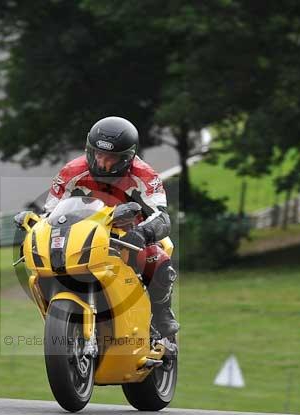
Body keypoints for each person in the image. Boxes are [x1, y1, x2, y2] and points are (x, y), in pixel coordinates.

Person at [17, 116, 179, 337]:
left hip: (129, 234)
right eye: (98, 155)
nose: (103, 163)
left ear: (128, 157)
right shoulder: (71, 172)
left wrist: (142, 234)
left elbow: (162, 217)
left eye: (112, 158)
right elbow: (49, 213)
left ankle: (162, 312)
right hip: (84, 233)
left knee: (155, 258)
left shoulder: (145, 175)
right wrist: (34, 232)